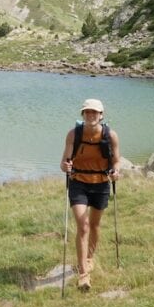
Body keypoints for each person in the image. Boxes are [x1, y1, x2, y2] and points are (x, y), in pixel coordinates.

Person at [60, 98, 121, 292]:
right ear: (82, 115)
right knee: (83, 226)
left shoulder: (110, 135)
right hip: (79, 183)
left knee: (94, 225)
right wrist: (66, 166)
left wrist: (116, 172)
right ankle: (83, 274)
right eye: (87, 112)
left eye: (95, 112)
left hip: (101, 184)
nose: (91, 115)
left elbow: (116, 161)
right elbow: (64, 162)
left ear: (101, 115)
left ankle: (89, 258)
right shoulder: (73, 134)